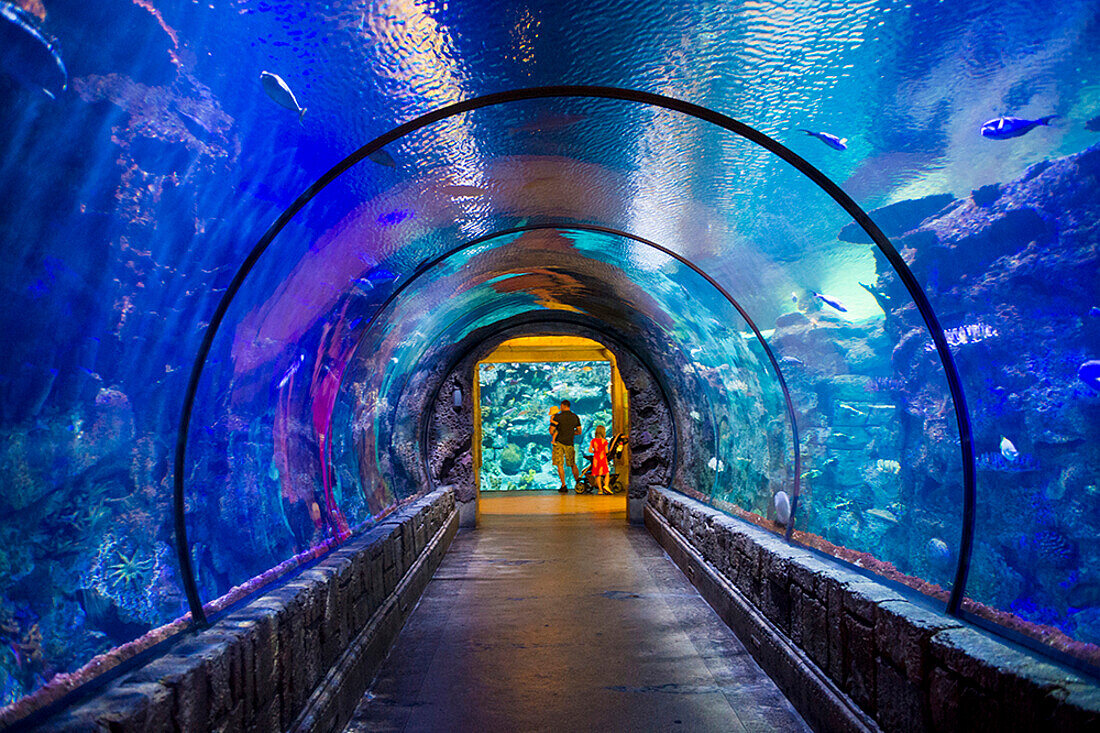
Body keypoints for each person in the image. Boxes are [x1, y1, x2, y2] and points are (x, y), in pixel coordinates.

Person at [550, 399, 581, 492]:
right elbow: (579, 431)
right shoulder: (575, 417)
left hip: (559, 443)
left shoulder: (557, 417)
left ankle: (564, 485)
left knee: (560, 465)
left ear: (563, 406)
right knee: (572, 464)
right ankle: (578, 483)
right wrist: (571, 433)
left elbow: (552, 431)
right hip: (570, 443)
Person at [589, 424, 611, 494]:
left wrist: (595, 451)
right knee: (606, 473)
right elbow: (606, 451)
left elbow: (590, 450)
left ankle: (600, 490)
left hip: (596, 458)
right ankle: (606, 486)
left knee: (598, 474)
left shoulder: (593, 441)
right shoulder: (604, 441)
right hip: (602, 458)